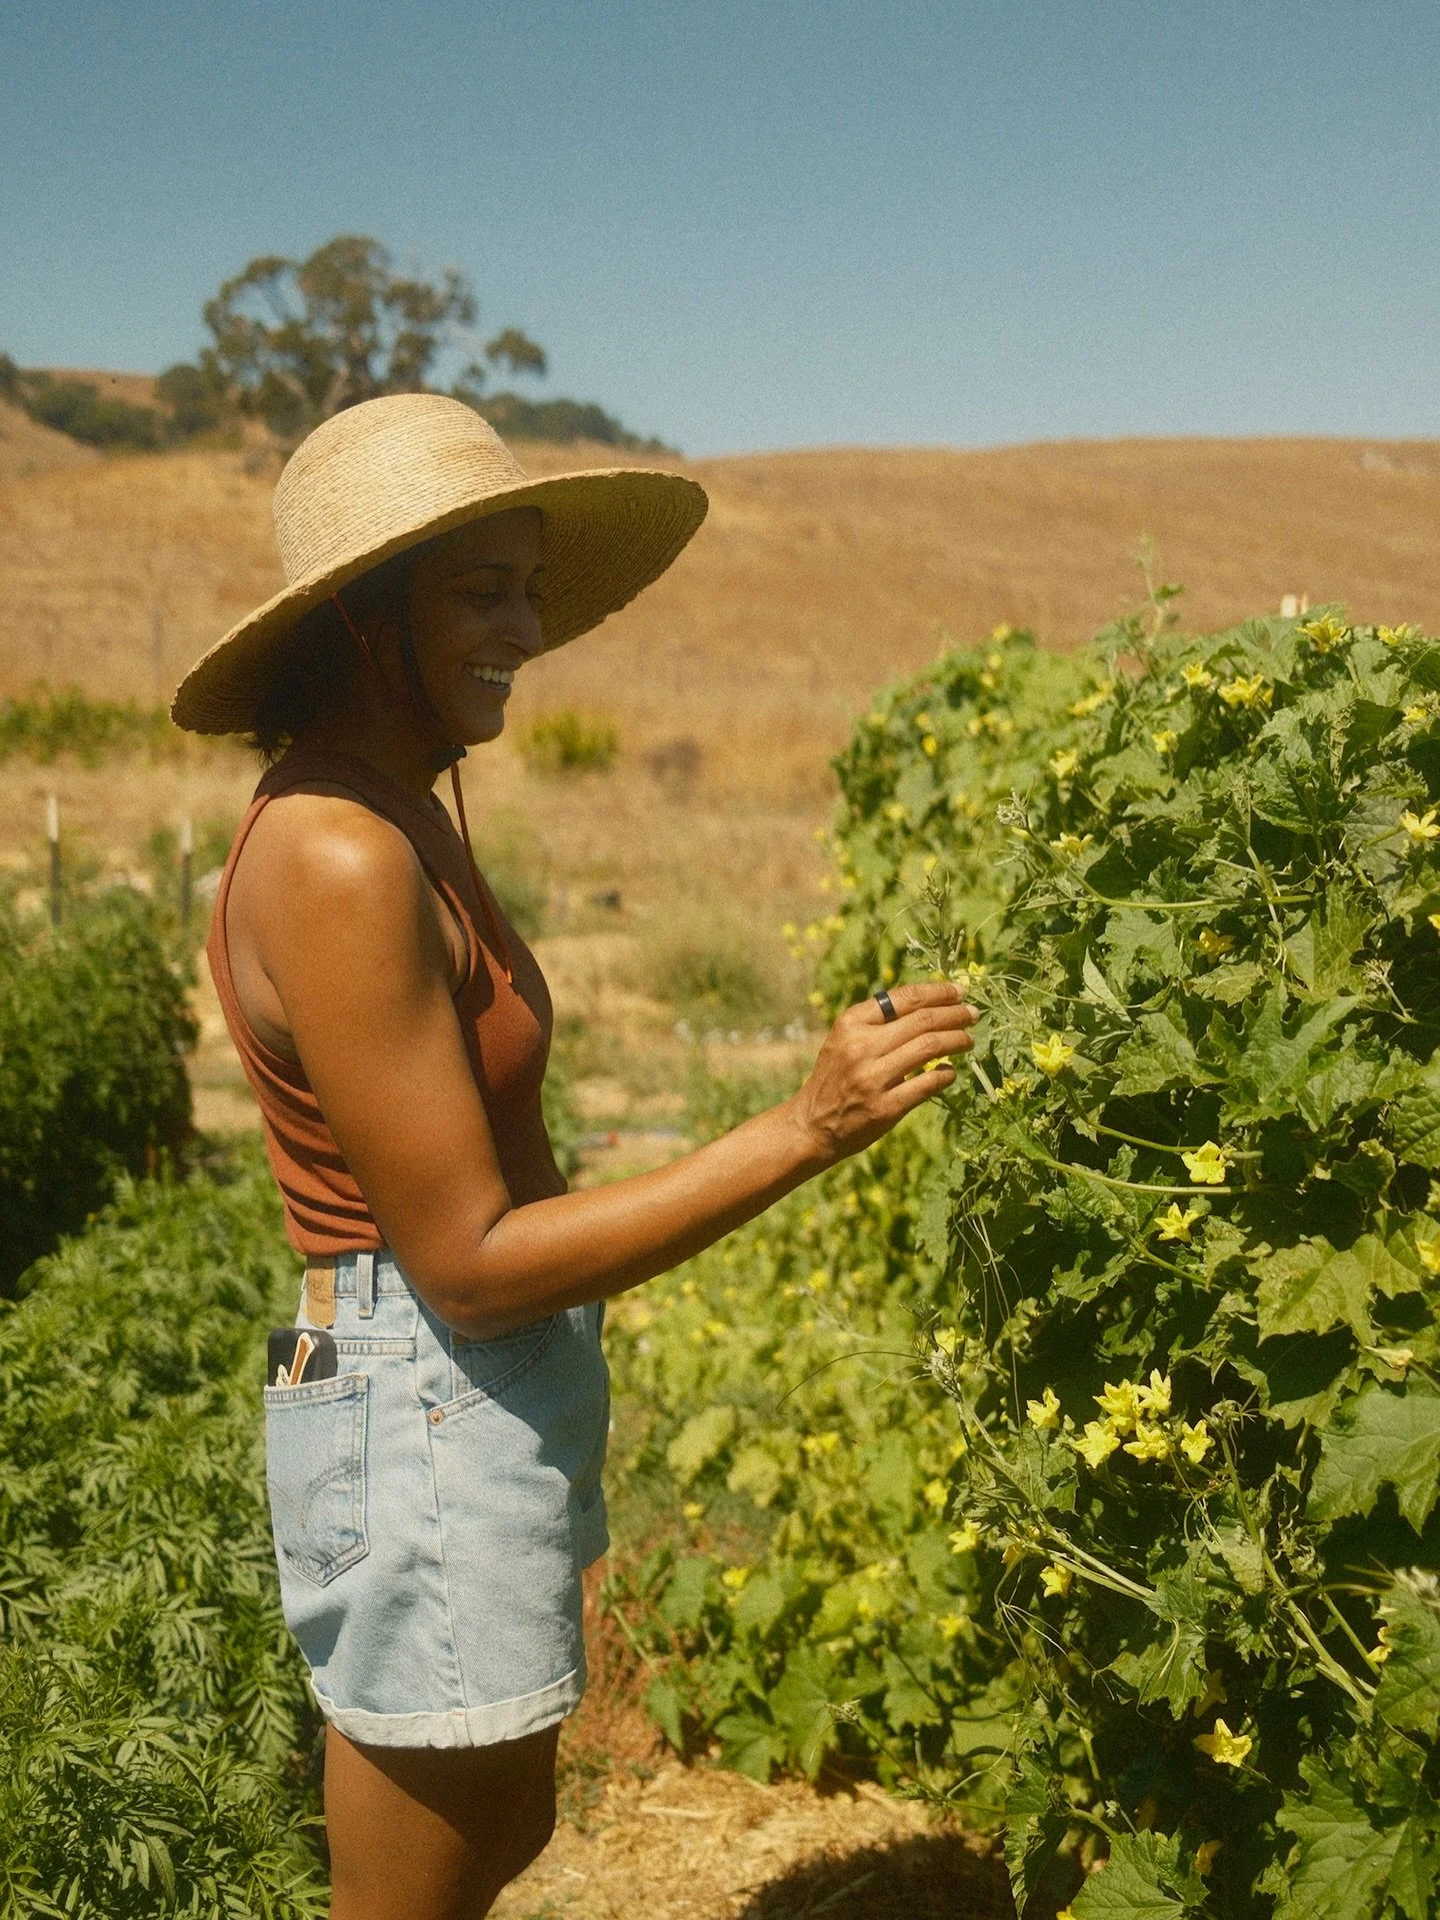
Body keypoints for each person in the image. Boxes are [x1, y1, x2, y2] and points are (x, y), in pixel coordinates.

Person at [172, 393, 977, 1920]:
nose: (527, 627)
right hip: (419, 1387)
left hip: (441, 1386)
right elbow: (467, 1270)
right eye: (482, 587)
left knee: (501, 1824)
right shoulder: (341, 853)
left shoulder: (399, 806)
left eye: (531, 585)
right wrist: (808, 1125)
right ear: (361, 616)